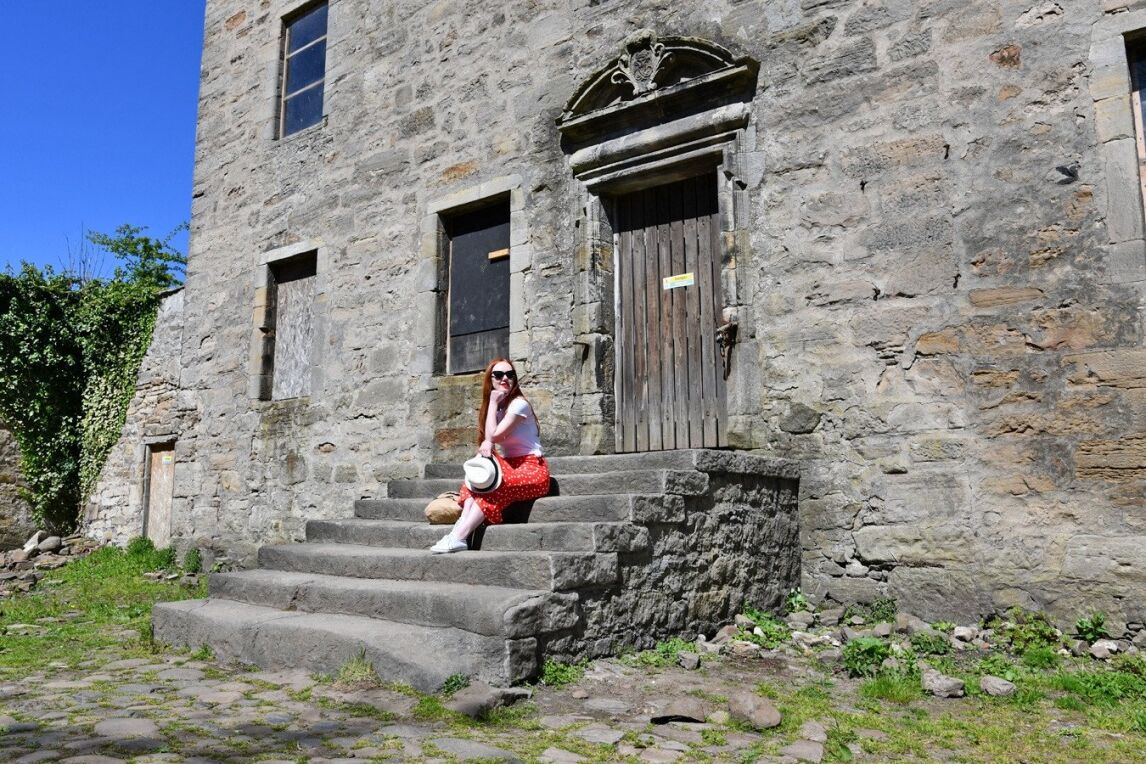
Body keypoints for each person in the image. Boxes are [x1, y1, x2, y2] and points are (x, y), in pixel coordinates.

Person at [430, 357, 550, 553]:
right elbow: (489, 442)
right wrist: (493, 406)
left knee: (494, 486)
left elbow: (495, 436)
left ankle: (459, 536)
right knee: (474, 481)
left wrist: (493, 403)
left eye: (510, 375)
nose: (505, 378)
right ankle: (458, 533)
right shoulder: (499, 407)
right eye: (499, 374)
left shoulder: (519, 405)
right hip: (510, 466)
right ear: (490, 379)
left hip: (533, 469)